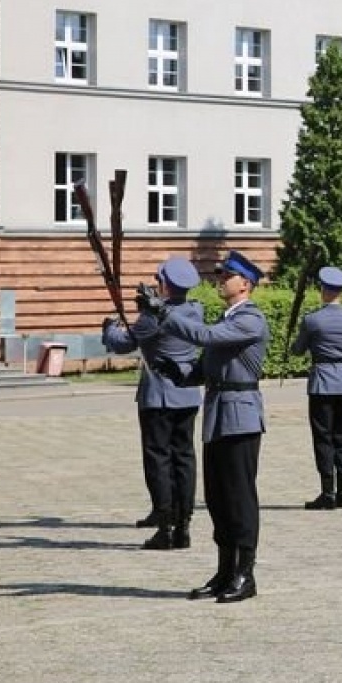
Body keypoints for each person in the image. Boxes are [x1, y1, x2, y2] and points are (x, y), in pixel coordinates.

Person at [153, 249, 268, 604]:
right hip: (219, 414)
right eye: (220, 276)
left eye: (226, 276)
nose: (220, 281)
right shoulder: (226, 319)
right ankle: (224, 570)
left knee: (240, 498)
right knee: (218, 499)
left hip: (241, 414)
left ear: (244, 284)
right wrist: (178, 372)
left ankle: (245, 573)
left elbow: (205, 337)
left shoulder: (250, 319)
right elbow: (205, 368)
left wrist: (165, 311)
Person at [101, 256, 203, 552]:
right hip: (187, 393)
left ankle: (166, 526)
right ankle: (183, 524)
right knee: (184, 458)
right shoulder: (196, 310)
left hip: (159, 394)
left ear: (166, 285)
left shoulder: (153, 318)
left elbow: (124, 343)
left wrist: (109, 326)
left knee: (158, 459)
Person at [290, 265, 342, 511]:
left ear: (323, 290)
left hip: (322, 381)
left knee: (323, 438)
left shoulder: (312, 320)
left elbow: (299, 350)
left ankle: (327, 492)